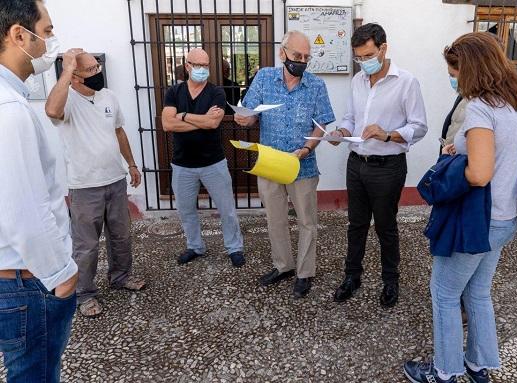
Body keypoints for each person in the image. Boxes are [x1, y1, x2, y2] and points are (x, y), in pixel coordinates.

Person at [403, 32, 517, 383]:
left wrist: (464, 158)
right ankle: (478, 365)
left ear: (471, 69)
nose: (453, 77)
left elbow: (479, 173)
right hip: (506, 218)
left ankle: (443, 372)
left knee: (444, 293)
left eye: (455, 71)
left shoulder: (480, 108)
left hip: (475, 220)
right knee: (479, 291)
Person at [0, 0, 78, 380]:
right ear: (19, 34)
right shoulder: (8, 109)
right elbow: (21, 210)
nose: (50, 42)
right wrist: (62, 274)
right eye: (45, 32)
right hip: (26, 279)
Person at [329, 23, 428, 307]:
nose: (363, 63)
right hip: (356, 162)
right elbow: (350, 118)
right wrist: (341, 133)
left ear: (383, 48)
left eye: (367, 55)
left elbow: (419, 127)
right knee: (356, 224)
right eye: (358, 57)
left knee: (386, 226)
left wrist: (387, 134)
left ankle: (390, 281)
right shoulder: (357, 81)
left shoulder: (406, 82)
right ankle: (352, 277)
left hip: (388, 166)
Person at [234, 30, 335, 298]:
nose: (301, 61)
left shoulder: (316, 85)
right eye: (296, 55)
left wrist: (305, 149)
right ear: (283, 53)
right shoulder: (265, 77)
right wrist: (245, 119)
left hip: (304, 164)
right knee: (275, 220)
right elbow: (250, 112)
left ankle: (304, 272)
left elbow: (321, 124)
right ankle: (283, 266)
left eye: (306, 57)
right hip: (270, 164)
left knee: (306, 222)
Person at [45, 52, 146, 317]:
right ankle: (85, 293)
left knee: (121, 235)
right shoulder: (66, 100)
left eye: (96, 65)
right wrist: (67, 71)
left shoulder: (108, 97)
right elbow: (52, 111)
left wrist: (132, 164)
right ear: (75, 77)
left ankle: (121, 276)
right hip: (85, 186)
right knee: (86, 245)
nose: (97, 71)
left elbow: (119, 131)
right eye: (90, 69)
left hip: (115, 180)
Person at [161, 47, 245, 267]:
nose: (202, 69)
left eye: (206, 65)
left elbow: (213, 123)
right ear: (187, 65)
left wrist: (185, 116)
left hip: (213, 163)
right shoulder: (174, 92)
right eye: (198, 65)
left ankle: (234, 248)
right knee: (186, 210)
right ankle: (195, 246)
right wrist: (200, 120)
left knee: (226, 209)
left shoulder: (217, 92)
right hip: (182, 165)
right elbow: (167, 124)